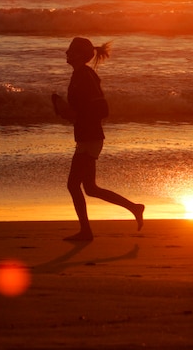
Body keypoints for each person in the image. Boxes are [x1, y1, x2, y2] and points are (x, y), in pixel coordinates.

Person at [52, 37, 144, 241]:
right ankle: (134, 208)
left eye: (70, 51)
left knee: (73, 185)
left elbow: (101, 108)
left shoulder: (84, 75)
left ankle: (86, 232)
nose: (66, 54)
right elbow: (82, 109)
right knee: (90, 188)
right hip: (87, 136)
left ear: (78, 55)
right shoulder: (80, 74)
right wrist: (64, 108)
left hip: (90, 137)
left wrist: (69, 110)